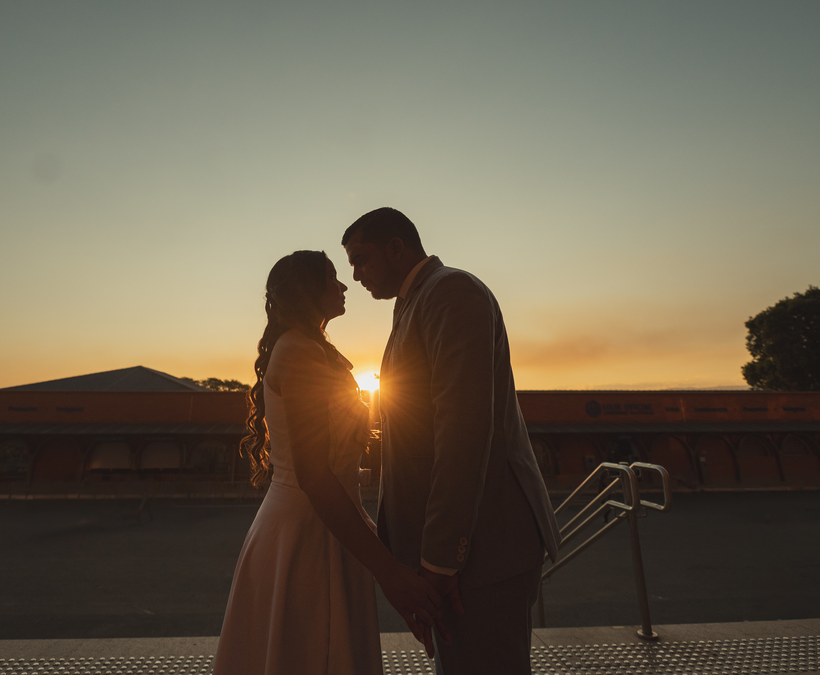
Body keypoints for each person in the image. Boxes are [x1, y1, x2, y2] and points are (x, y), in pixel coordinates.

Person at [342, 208, 561, 675]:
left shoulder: (451, 292)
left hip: (484, 552)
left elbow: (463, 427)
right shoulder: (418, 300)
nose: (355, 275)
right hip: (465, 556)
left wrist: (440, 559)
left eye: (361, 259)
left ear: (397, 247)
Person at [213, 250, 445, 675]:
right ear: (307, 291)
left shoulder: (309, 350)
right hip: (307, 537)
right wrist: (389, 574)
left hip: (321, 527)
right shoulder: (300, 353)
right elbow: (315, 477)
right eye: (331, 278)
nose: (343, 286)